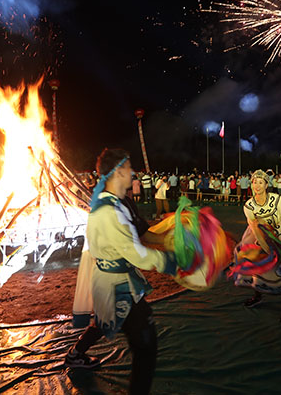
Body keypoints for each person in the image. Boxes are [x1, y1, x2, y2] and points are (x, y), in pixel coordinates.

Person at [64, 148, 177, 395]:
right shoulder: (108, 211)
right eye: (128, 168)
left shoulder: (121, 202)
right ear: (117, 173)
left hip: (119, 282)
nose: (133, 173)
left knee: (105, 322)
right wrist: (171, 262)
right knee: (145, 346)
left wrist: (172, 236)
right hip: (117, 286)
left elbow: (144, 233)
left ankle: (75, 354)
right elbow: (135, 252)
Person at [233, 170, 281, 324]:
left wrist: (275, 238)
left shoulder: (279, 200)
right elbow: (253, 226)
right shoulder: (249, 205)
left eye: (260, 182)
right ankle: (258, 296)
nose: (257, 186)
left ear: (266, 185)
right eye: (254, 182)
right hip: (260, 237)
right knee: (256, 265)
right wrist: (264, 245)